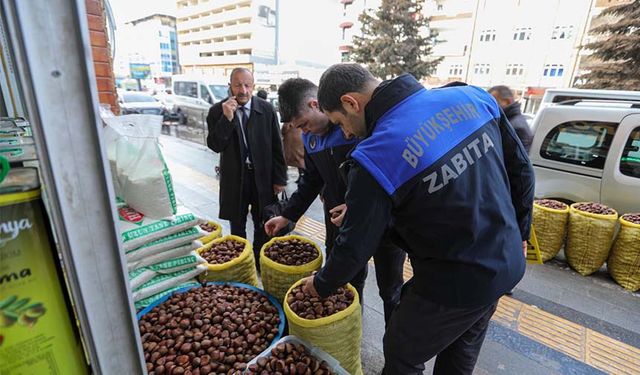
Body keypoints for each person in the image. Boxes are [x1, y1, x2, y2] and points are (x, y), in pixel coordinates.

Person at [301, 64, 535, 375]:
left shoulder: (375, 153)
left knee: (402, 351)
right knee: (460, 348)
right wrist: (520, 233)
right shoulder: (472, 98)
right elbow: (521, 170)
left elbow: (355, 248)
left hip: (453, 281)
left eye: (340, 122)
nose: (345, 133)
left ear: (351, 102)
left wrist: (320, 284)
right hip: (505, 263)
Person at [264, 78, 406, 320]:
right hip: (338, 222)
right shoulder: (311, 139)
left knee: (390, 288)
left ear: (315, 104)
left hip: (383, 222)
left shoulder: (360, 125)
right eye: (299, 128)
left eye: (305, 124)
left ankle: (397, 345)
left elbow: (393, 174)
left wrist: (355, 207)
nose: (304, 132)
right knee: (347, 282)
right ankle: (351, 329)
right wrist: (288, 215)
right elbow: (312, 180)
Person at [207, 68, 287, 270]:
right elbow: (215, 145)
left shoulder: (266, 109)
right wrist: (227, 118)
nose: (242, 90)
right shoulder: (217, 111)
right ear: (230, 86)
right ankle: (241, 263)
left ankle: (260, 262)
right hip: (235, 178)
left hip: (262, 177)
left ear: (253, 86)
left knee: (263, 221)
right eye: (237, 85)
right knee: (237, 223)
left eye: (247, 85)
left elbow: (277, 145)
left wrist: (280, 178)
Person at [488, 85, 533, 151]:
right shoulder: (507, 121)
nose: (491, 107)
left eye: (494, 103)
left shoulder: (516, 127)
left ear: (508, 101)